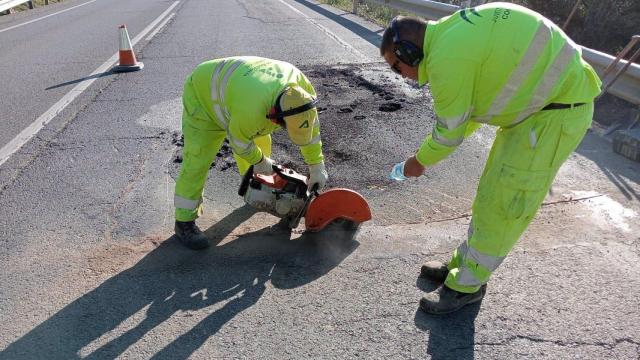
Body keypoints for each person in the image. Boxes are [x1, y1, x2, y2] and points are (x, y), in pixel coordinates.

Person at [380, 3, 601, 314]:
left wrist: (418, 162)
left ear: (408, 53)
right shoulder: (450, 34)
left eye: (396, 67)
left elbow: (449, 131)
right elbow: (470, 113)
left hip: (553, 115)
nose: (400, 76)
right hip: (535, 112)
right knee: (490, 195)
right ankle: (463, 266)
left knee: (505, 202)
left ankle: (466, 286)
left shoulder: (446, 59)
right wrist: (425, 157)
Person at [174, 56, 328, 250]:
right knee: (197, 158)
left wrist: (316, 165)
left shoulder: (304, 92)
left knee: (261, 146)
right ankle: (184, 222)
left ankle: (255, 190)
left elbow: (311, 133)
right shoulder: (252, 110)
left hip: (241, 94)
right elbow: (239, 142)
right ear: (274, 115)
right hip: (204, 96)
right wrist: (260, 161)